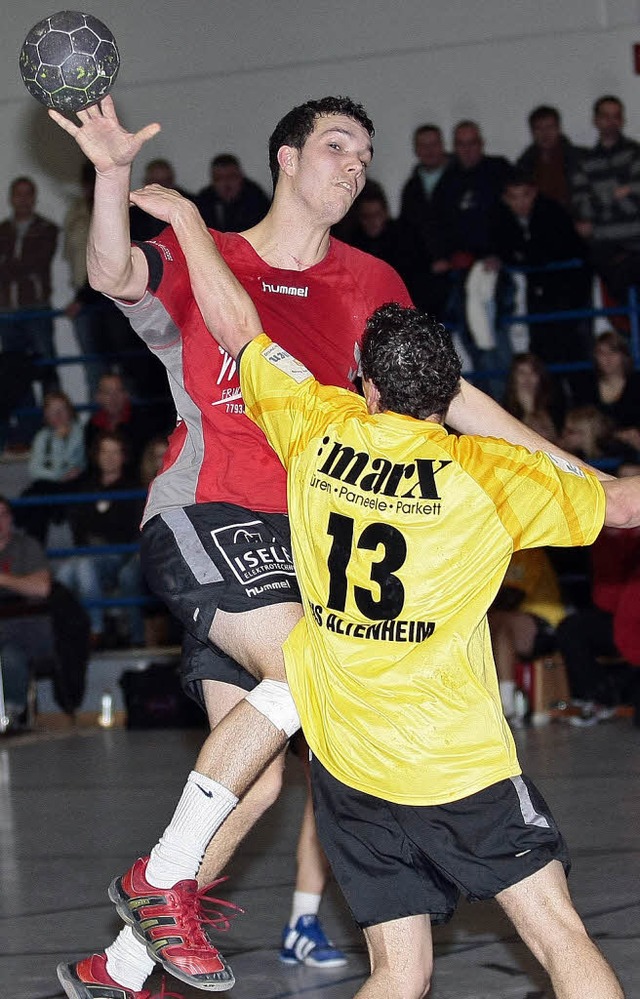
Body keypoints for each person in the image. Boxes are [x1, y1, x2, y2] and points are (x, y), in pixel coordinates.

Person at [49, 95, 614, 999]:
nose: (354, 165)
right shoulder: (215, 257)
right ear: (284, 157)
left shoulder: (372, 280)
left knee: (261, 779)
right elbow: (112, 269)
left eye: (366, 153)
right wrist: (112, 174)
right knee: (311, 676)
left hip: (304, 547)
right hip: (210, 514)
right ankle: (157, 883)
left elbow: (449, 395)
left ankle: (116, 971)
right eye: (336, 146)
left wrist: (566, 467)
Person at [55, 430, 145, 648]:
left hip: (120, 554)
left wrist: (100, 533)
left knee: (82, 566)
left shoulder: (133, 488)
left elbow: (130, 530)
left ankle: (95, 630)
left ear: (124, 456)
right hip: (88, 552)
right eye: (105, 451)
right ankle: (64, 637)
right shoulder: (87, 486)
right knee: (62, 574)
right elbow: (78, 526)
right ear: (97, 455)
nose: (110, 457)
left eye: (115, 452)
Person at [0, 176, 59, 449]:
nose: (23, 199)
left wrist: (8, 266)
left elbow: (35, 263)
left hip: (36, 309)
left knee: (46, 367)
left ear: (34, 198)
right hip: (8, 310)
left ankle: (58, 424)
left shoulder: (47, 228)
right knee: (15, 374)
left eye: (27, 194)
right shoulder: (3, 230)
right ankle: (28, 431)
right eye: (18, 194)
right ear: (11, 198)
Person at [571, 95, 640, 302]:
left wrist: (601, 198)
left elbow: (637, 202)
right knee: (619, 298)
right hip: (605, 247)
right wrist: (620, 192)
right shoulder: (583, 161)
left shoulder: (635, 153)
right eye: (605, 116)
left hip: (637, 242)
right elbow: (582, 207)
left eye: (616, 116)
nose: (611, 121)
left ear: (622, 120)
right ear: (595, 120)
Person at [488, 548, 565, 722]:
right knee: (485, 625)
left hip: (547, 622)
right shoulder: (487, 549)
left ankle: (507, 704)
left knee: (497, 622)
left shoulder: (529, 551)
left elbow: (511, 597)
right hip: (512, 623)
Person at [14, 390, 86, 544]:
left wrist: (59, 443)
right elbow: (35, 470)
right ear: (46, 416)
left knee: (43, 499)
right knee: (37, 502)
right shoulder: (42, 436)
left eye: (62, 410)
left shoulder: (80, 433)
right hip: (49, 484)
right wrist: (57, 475)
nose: (58, 415)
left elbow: (73, 464)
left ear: (70, 411)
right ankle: (35, 553)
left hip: (74, 485)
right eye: (53, 412)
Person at [516, 105, 584, 209]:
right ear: (532, 132)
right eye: (539, 129)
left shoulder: (581, 158)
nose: (545, 134)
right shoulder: (523, 166)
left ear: (559, 128)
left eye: (549, 127)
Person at [195, 152, 270, 231]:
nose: (226, 183)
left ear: (240, 177)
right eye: (219, 178)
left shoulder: (256, 198)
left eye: (231, 177)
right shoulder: (205, 199)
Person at [503, 352, 563, 443]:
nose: (527, 378)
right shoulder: (504, 409)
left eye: (532, 373)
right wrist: (528, 411)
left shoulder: (553, 404)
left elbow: (557, 438)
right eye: (521, 373)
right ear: (513, 377)